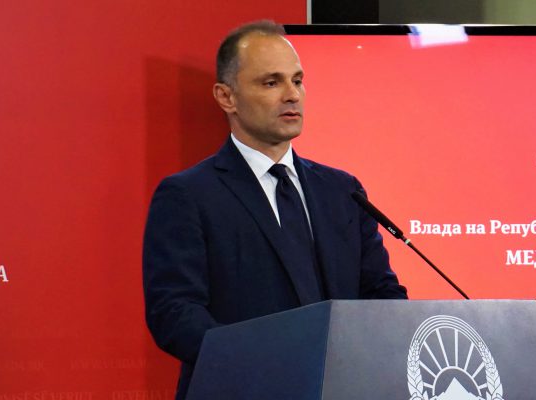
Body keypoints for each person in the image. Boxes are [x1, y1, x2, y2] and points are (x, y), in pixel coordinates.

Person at [142, 20, 407, 398]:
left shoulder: (342, 191)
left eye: (297, 81)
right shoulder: (188, 195)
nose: (292, 95)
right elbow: (174, 313)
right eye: (271, 83)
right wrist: (267, 365)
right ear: (226, 97)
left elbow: (381, 294)